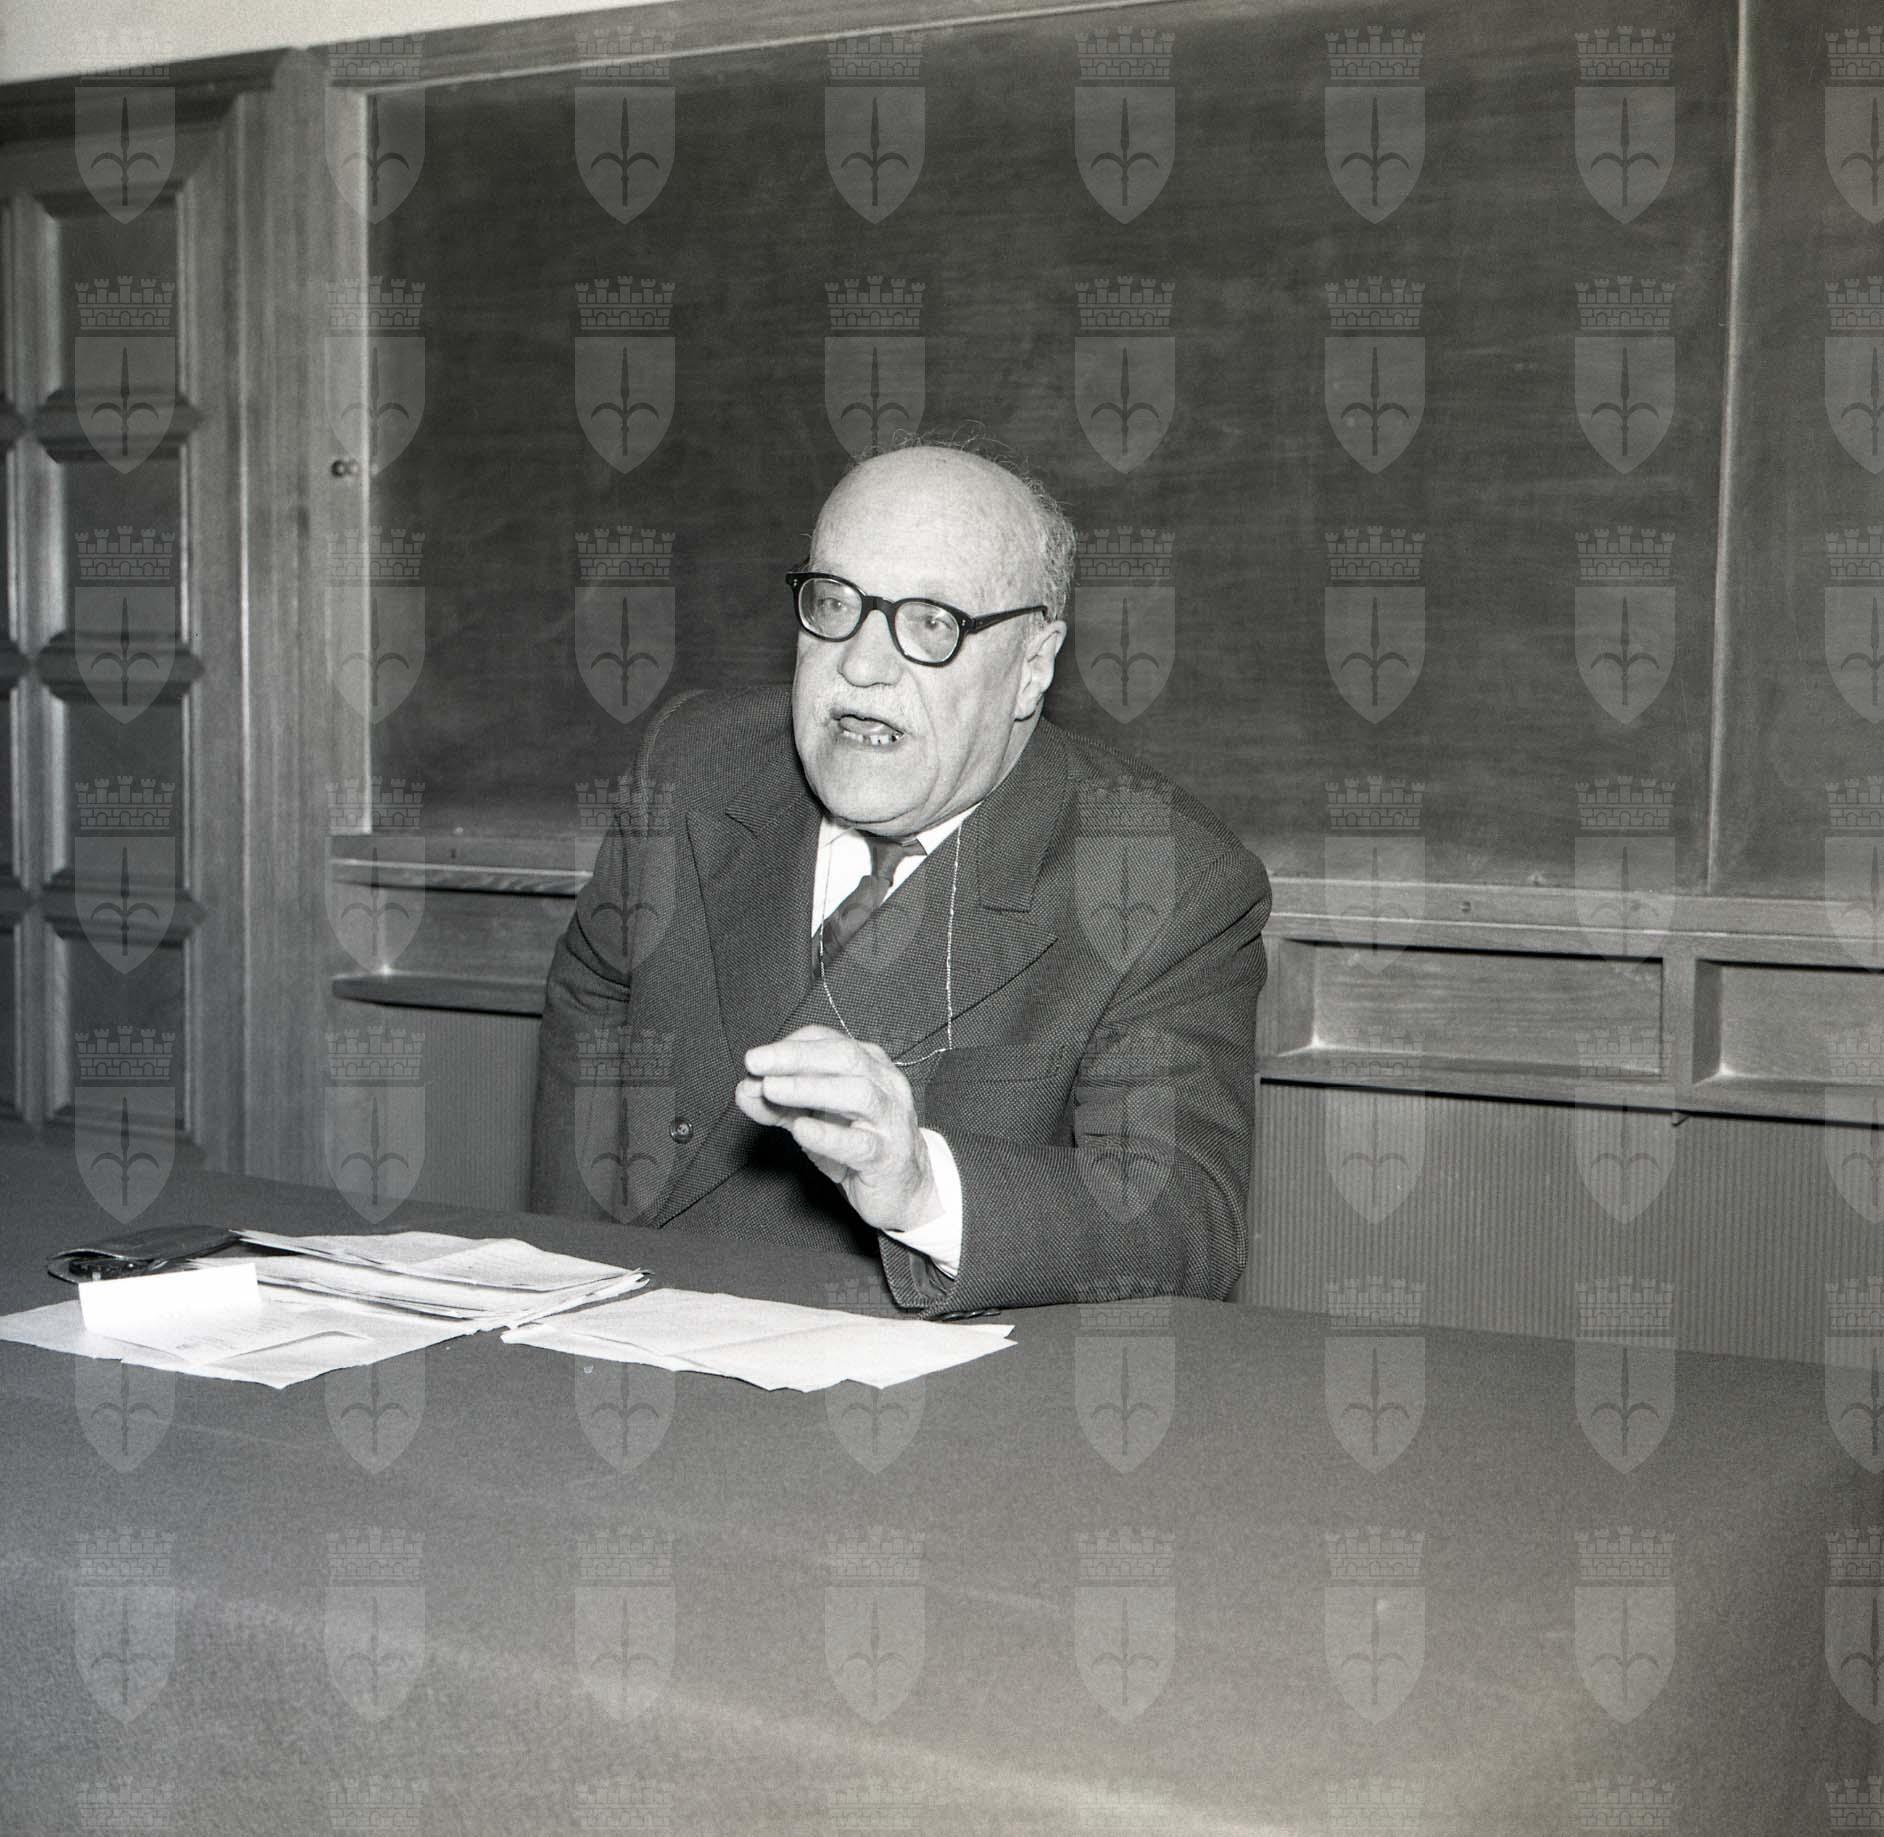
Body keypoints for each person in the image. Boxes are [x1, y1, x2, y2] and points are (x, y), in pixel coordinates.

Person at [528, 443, 1270, 1315]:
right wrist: (565, 1279)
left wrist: (922, 1185)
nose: (861, 665)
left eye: (930, 624)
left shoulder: (1165, 881)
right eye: (834, 603)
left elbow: (1185, 1216)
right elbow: (595, 997)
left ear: (1032, 666)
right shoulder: (696, 763)